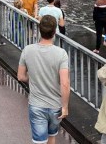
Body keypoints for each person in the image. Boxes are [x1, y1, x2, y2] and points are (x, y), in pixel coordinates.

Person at [17, 15, 69, 144]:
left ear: (40, 30)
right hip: (55, 105)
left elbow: (21, 76)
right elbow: (65, 83)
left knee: (39, 141)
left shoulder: (27, 50)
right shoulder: (61, 53)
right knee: (52, 137)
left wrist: (34, 77)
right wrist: (65, 107)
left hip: (36, 104)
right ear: (54, 31)